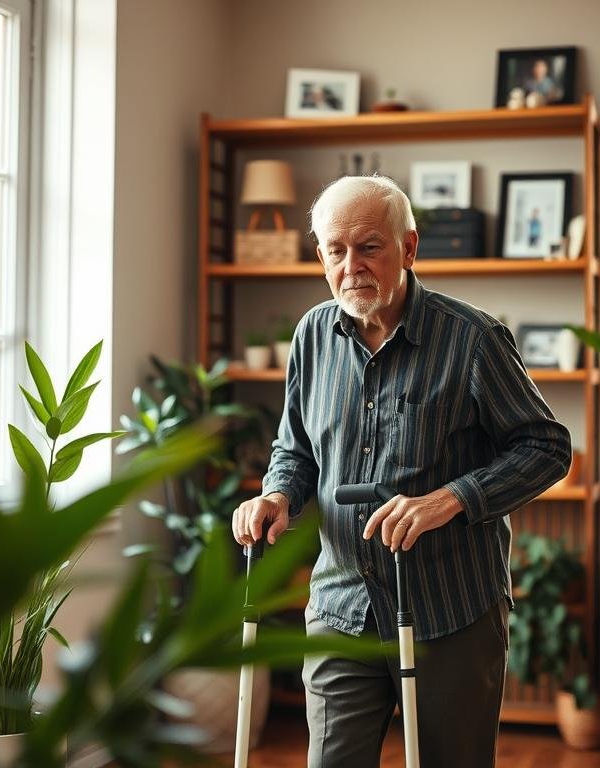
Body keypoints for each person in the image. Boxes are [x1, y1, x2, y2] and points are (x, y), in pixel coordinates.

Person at [231, 175, 571, 768]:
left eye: (369, 247)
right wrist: (278, 494)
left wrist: (450, 499)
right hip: (341, 604)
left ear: (409, 248)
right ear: (320, 256)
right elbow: (296, 446)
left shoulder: (473, 339)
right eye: (335, 250)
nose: (351, 266)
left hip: (450, 610)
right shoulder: (312, 335)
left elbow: (546, 447)